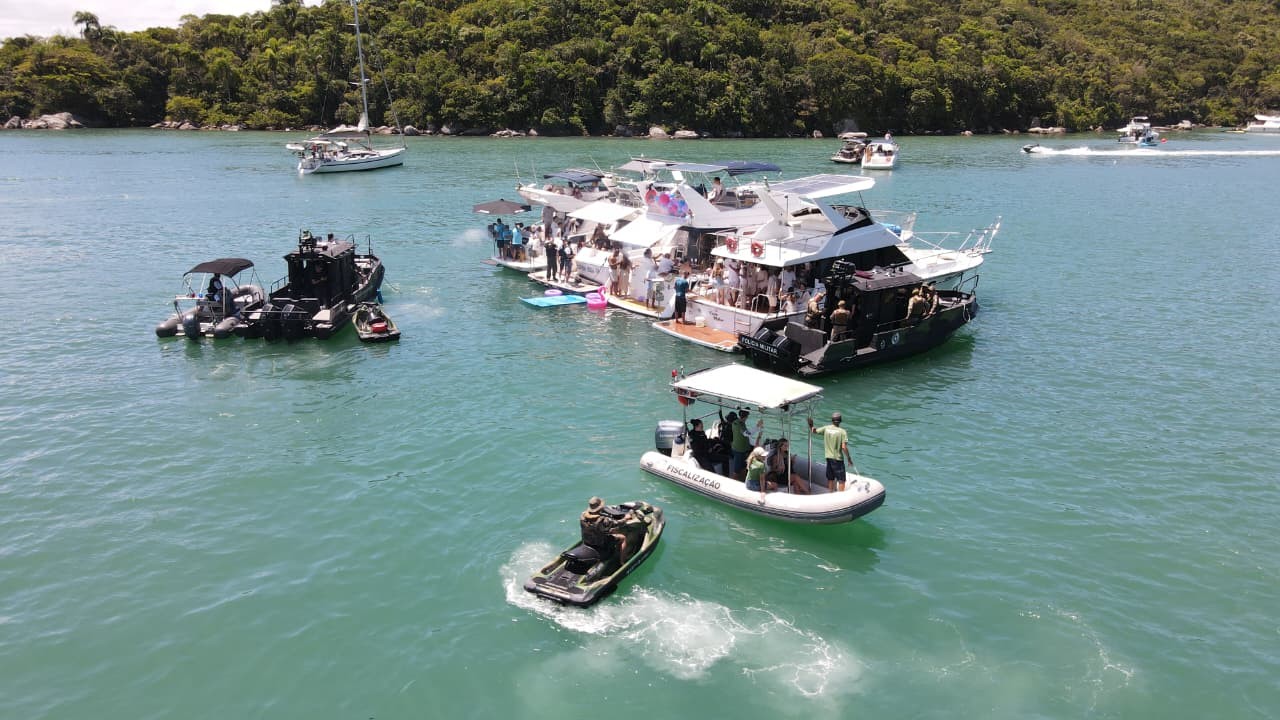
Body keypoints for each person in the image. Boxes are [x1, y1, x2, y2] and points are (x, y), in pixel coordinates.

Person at [808, 411, 854, 492]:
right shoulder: (842, 432)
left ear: (832, 420)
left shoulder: (826, 428)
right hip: (838, 459)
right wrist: (849, 459)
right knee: (841, 480)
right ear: (840, 421)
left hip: (828, 458)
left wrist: (811, 425)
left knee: (830, 478)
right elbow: (843, 447)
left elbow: (814, 431)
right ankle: (841, 497)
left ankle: (830, 493)